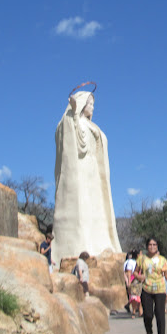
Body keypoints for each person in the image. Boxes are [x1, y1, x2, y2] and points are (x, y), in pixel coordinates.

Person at [52, 88, 122, 267]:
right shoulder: (71, 122)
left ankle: (100, 243)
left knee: (96, 206)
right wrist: (74, 115)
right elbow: (74, 141)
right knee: (82, 205)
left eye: (93, 104)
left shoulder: (93, 126)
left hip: (93, 173)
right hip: (80, 171)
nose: (92, 107)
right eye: (89, 104)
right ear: (82, 104)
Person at [134, 237, 167, 334]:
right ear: (147, 246)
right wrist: (139, 277)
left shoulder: (162, 260)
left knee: (160, 313)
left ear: (157, 246)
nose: (152, 247)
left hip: (160, 289)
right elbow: (135, 272)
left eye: (154, 245)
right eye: (150, 244)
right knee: (148, 314)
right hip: (146, 289)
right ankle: (149, 332)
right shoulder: (141, 259)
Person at [124, 250, 142, 318]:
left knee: (139, 296)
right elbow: (129, 272)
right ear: (137, 255)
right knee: (134, 297)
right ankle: (134, 311)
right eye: (140, 254)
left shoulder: (139, 262)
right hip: (133, 280)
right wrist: (128, 282)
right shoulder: (130, 262)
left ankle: (140, 311)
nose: (141, 255)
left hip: (139, 280)